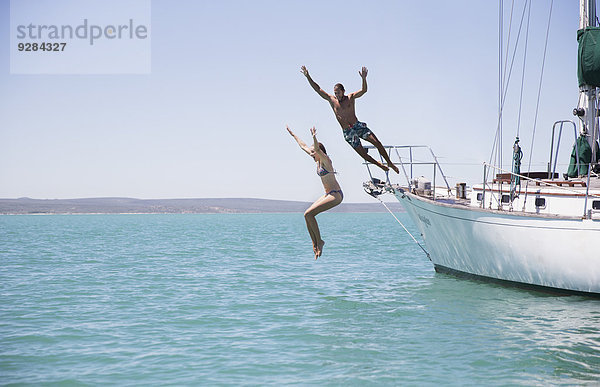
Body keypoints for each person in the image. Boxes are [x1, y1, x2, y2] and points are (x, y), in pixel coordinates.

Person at [300, 65, 399, 174]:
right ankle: (379, 164)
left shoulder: (350, 98)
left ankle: (389, 162)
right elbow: (318, 89)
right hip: (348, 132)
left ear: (343, 91)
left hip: (357, 126)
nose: (336, 95)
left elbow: (364, 90)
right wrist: (308, 76)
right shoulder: (332, 101)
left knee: (377, 143)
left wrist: (364, 79)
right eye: (335, 92)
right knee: (364, 155)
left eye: (338, 92)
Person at [286, 125, 343, 259]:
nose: (311, 154)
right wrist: (293, 134)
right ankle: (314, 243)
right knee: (307, 215)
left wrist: (314, 137)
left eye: (313, 152)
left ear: (319, 152)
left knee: (309, 214)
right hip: (327, 194)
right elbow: (303, 146)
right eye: (311, 152)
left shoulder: (326, 161)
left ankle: (320, 241)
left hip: (336, 195)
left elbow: (316, 148)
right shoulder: (317, 160)